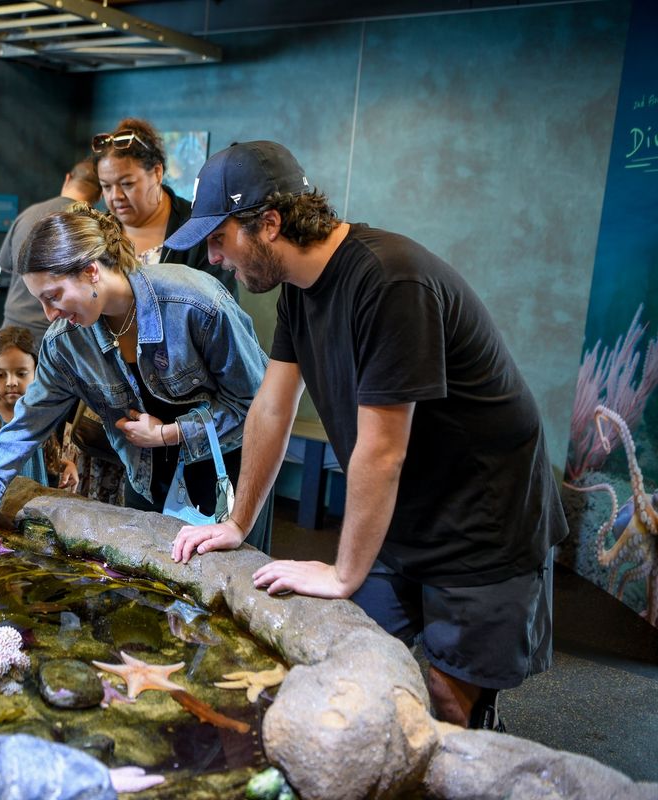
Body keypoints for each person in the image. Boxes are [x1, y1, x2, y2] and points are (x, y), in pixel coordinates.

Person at [165, 141, 568, 731]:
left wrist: (343, 573)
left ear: (269, 223)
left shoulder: (390, 281)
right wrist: (237, 521)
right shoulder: (300, 291)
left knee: (449, 700)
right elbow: (271, 409)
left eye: (219, 238)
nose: (214, 256)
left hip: (484, 516)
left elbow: (381, 450)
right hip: (406, 508)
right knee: (357, 660)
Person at [0, 203, 272, 566]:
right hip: (147, 480)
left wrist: (171, 433)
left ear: (91, 272)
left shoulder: (195, 303)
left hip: (227, 477)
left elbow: (260, 406)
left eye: (53, 296)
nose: (49, 314)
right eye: (40, 301)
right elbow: (23, 428)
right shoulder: (66, 343)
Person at [91, 117, 233, 293]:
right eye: (106, 186)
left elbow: (221, 305)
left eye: (127, 184)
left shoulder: (198, 229)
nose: (116, 196)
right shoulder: (96, 233)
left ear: (157, 172)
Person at [0, 325, 78, 490]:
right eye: (0, 374)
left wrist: (65, 465)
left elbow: (29, 459)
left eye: (21, 373)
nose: (11, 382)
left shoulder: (38, 413)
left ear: (37, 372)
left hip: (31, 508)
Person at [0, 160, 101, 343]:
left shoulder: (27, 214)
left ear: (68, 179)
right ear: (101, 195)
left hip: (11, 327)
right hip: (53, 335)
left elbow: (6, 266)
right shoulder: (89, 227)